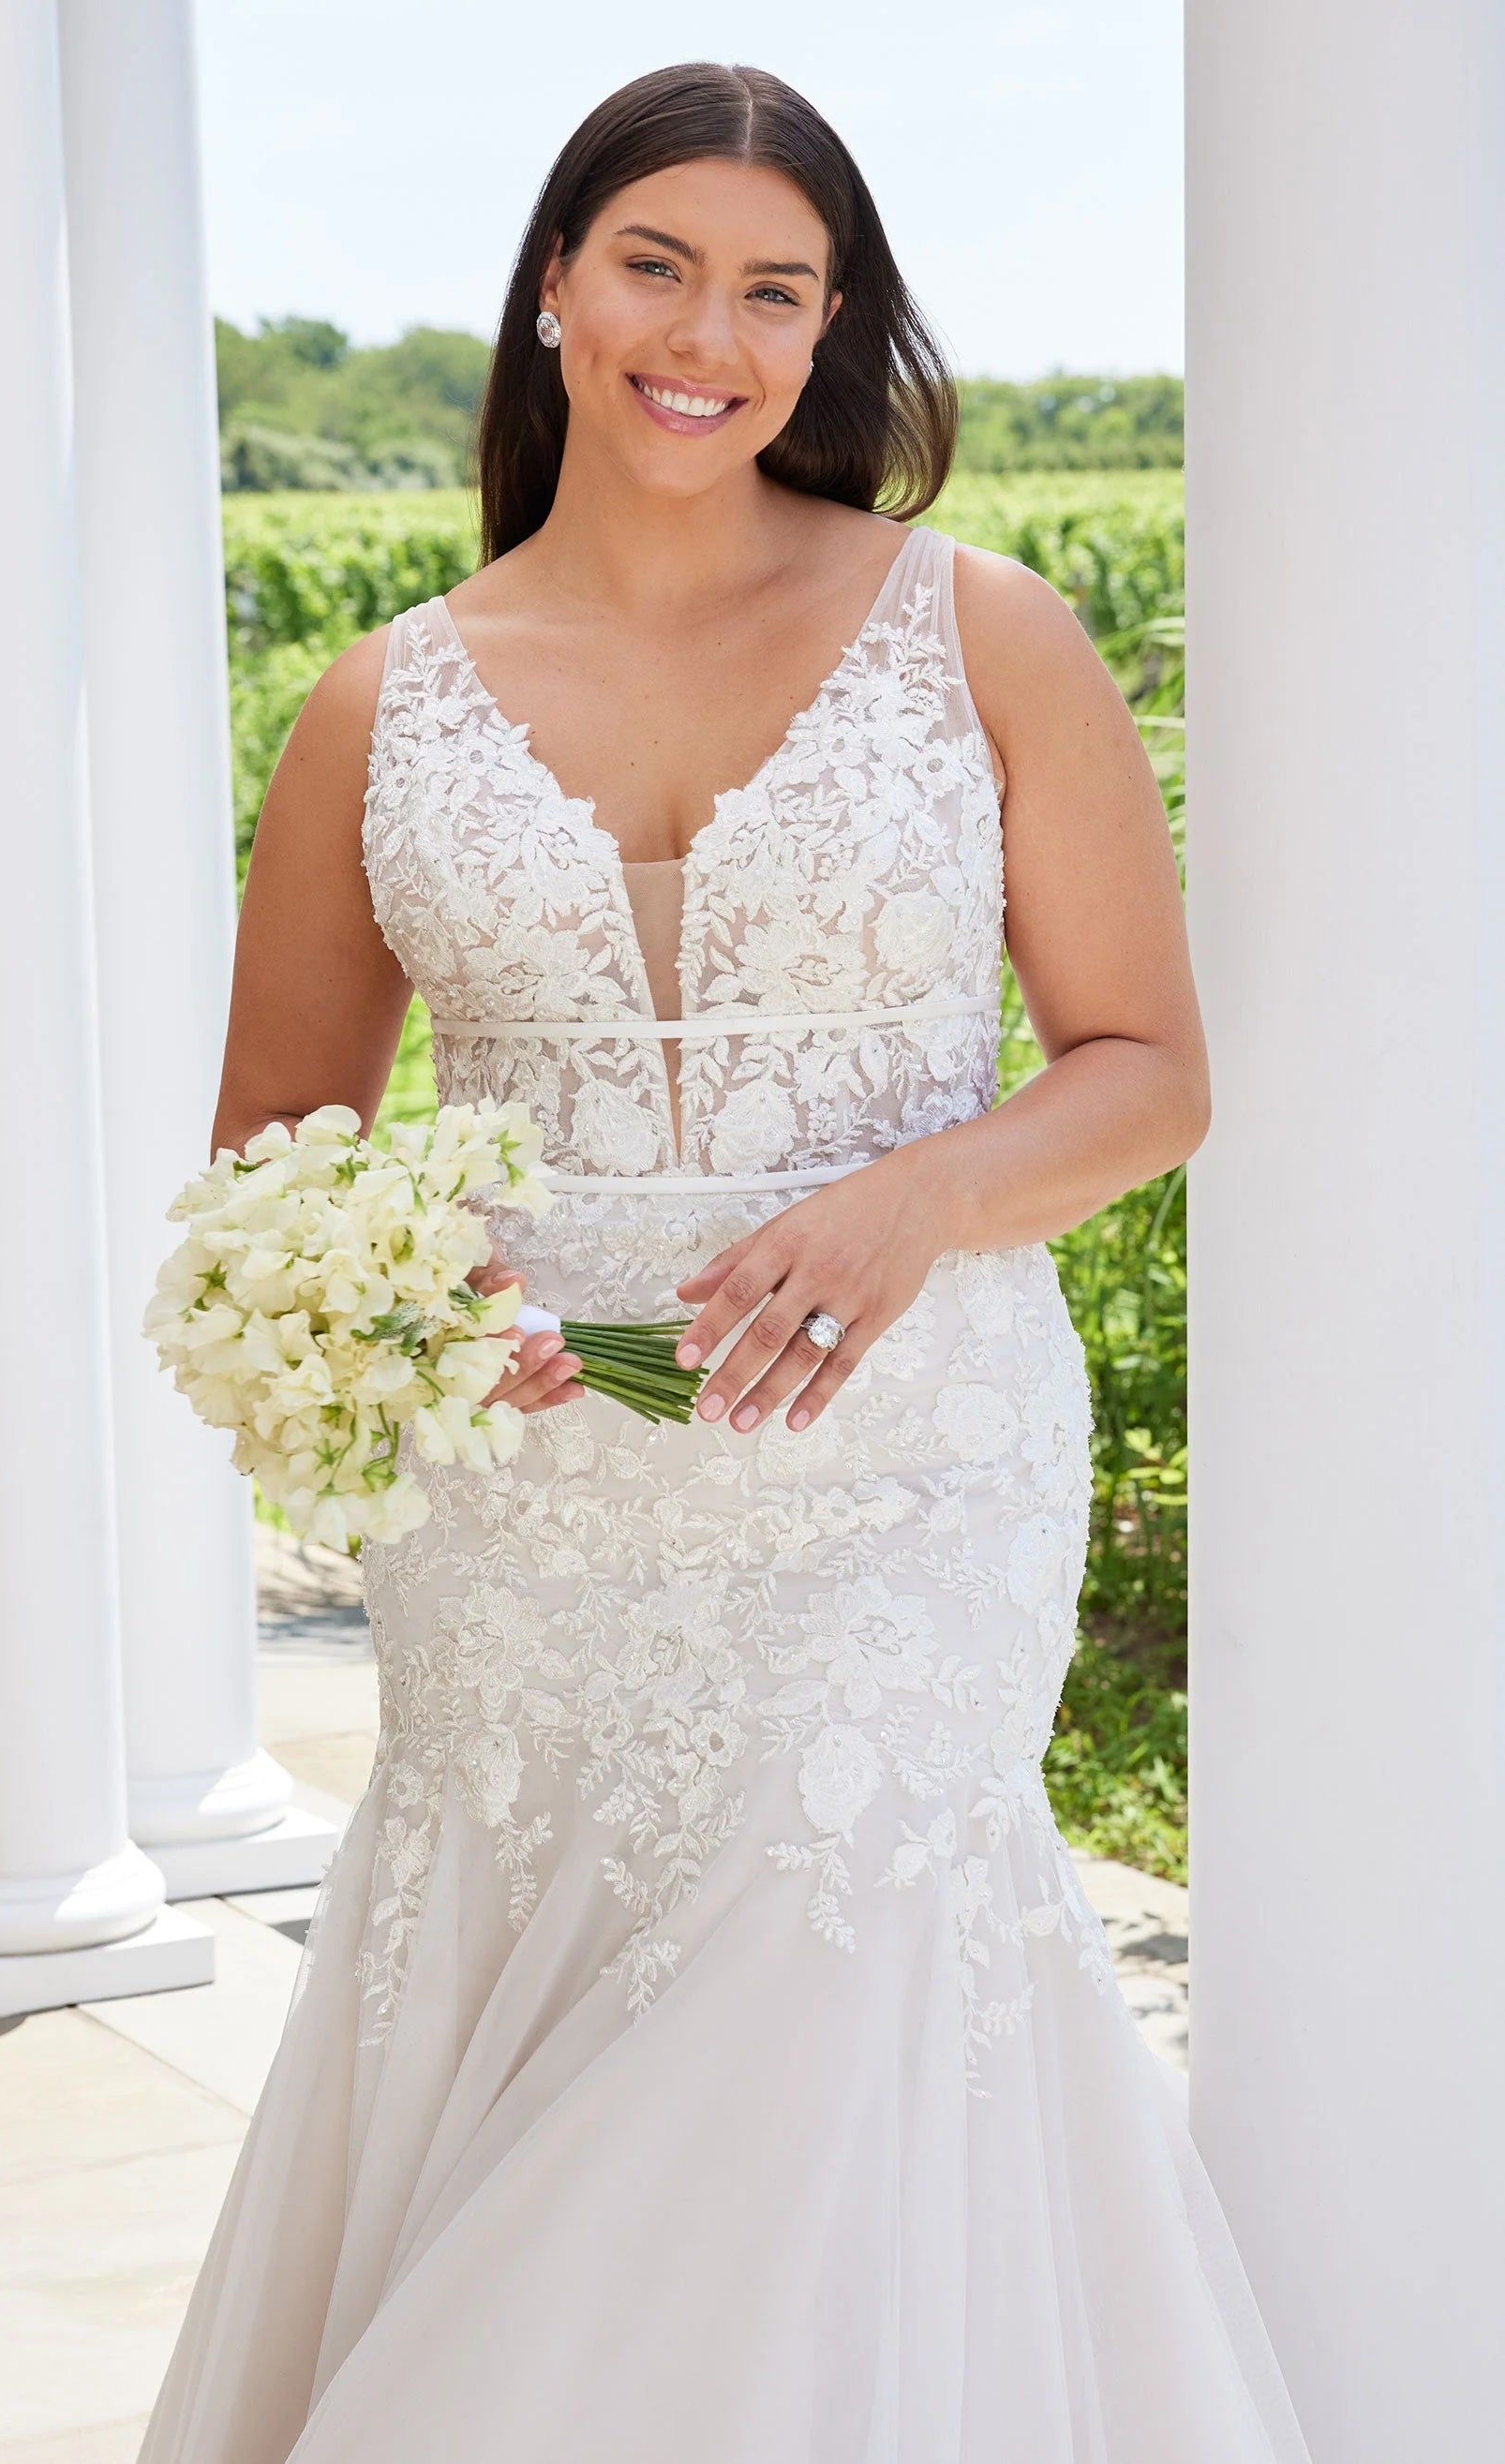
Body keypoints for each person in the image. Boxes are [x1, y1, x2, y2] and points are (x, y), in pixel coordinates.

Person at [140, 60, 1311, 2464]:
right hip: (539, 1487)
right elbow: (274, 1139)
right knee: (564, 2009)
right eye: (658, 263)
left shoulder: (977, 633)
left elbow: (1140, 1064)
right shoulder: (381, 703)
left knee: (812, 1972)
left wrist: (913, 1195)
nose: (713, 332)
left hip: (903, 1453)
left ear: (832, 333)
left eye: (779, 289)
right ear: (556, 291)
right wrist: (411, 1309)